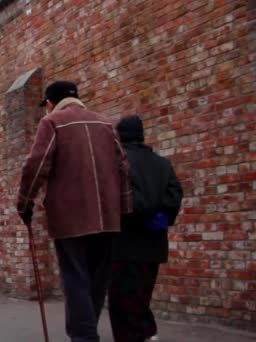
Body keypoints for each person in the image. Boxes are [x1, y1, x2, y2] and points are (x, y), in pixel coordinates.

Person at [17, 81, 131, 342]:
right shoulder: (105, 123)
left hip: (71, 217)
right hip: (108, 217)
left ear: (50, 103)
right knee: (97, 280)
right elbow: (123, 168)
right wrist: (122, 210)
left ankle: (84, 337)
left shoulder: (52, 122)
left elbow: (36, 164)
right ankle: (87, 332)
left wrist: (24, 202)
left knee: (76, 279)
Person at [108, 115, 183, 342]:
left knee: (121, 300)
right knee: (142, 293)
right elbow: (174, 195)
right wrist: (158, 218)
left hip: (124, 243)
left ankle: (138, 335)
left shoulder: (118, 163)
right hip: (153, 243)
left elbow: (121, 200)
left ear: (119, 136)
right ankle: (147, 333)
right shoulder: (163, 164)